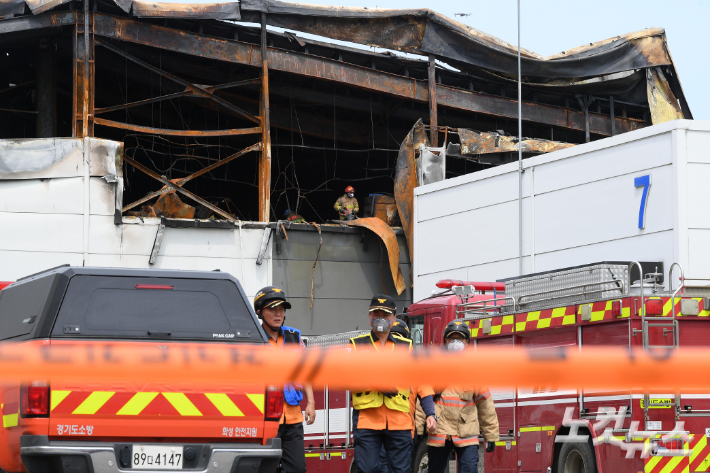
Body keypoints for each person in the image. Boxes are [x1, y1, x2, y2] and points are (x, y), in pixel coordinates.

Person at [349, 295, 437, 473]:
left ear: (394, 318)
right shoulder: (357, 346)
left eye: (385, 314)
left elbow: (421, 381)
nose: (380, 318)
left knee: (400, 470)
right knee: (368, 469)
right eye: (376, 313)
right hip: (367, 421)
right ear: (369, 316)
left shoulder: (407, 347)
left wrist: (430, 413)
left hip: (400, 422)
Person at [418, 320, 499, 473]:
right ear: (445, 341)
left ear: (467, 342)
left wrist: (491, 435)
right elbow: (424, 396)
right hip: (440, 432)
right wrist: (419, 429)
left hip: (466, 432)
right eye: (451, 338)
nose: (455, 342)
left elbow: (485, 404)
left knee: (469, 469)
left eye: (460, 338)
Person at [254, 286, 316, 473]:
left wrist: (311, 402)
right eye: (272, 309)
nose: (278, 314)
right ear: (259, 312)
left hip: (293, 417)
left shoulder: (294, 337)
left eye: (281, 309)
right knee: (264, 468)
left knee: (297, 468)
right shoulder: (254, 338)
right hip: (264, 417)